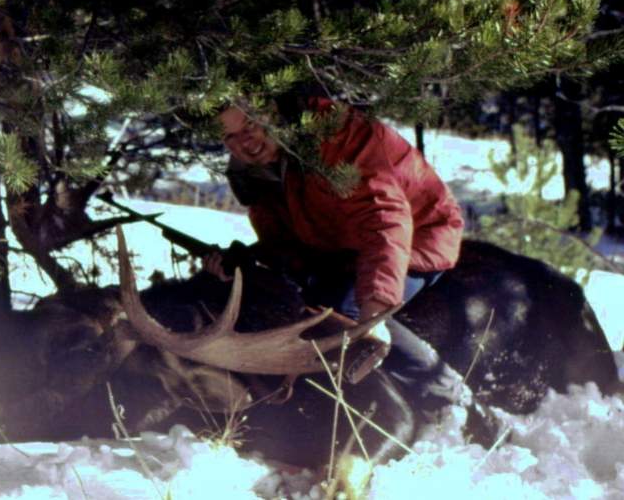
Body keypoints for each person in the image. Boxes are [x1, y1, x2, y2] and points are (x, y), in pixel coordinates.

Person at [204, 95, 502, 447]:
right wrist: (247, 261)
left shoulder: (337, 134)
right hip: (338, 249)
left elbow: (384, 221)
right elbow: (283, 239)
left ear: (274, 109)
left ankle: (450, 395)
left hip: (416, 236)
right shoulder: (255, 167)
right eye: (231, 138)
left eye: (251, 126)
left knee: (340, 320)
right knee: (296, 312)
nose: (245, 143)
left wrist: (373, 310)